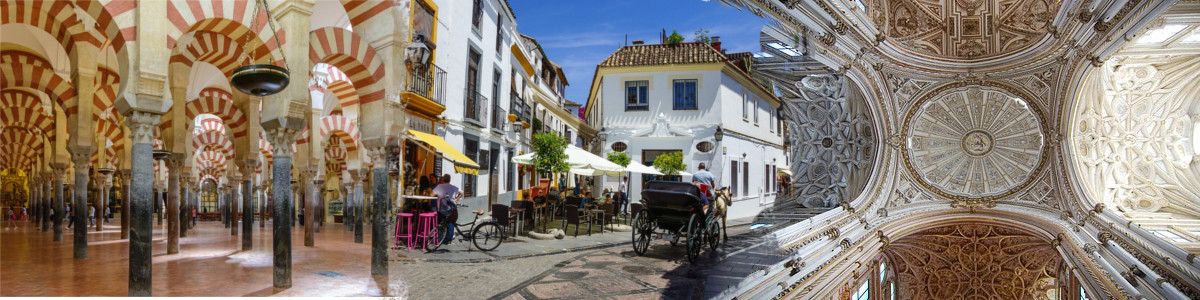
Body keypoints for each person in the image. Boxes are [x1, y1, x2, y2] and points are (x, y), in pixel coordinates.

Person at [431, 174, 462, 244]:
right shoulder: (454, 187)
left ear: (443, 179)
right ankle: (448, 239)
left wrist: (439, 194)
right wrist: (456, 199)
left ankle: (440, 238)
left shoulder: (439, 186)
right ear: (449, 180)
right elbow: (462, 192)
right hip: (451, 208)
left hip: (442, 209)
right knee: (450, 222)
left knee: (441, 223)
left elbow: (431, 195)